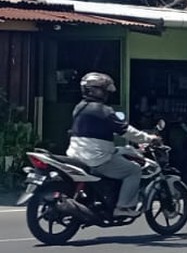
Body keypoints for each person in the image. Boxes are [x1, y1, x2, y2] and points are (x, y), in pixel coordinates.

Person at [67, 72, 157, 217]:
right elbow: (127, 131)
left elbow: (96, 133)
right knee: (133, 170)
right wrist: (148, 138)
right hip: (96, 158)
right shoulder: (103, 110)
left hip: (77, 155)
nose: (107, 94)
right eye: (104, 90)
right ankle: (123, 207)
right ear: (97, 90)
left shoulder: (79, 107)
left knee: (123, 150)